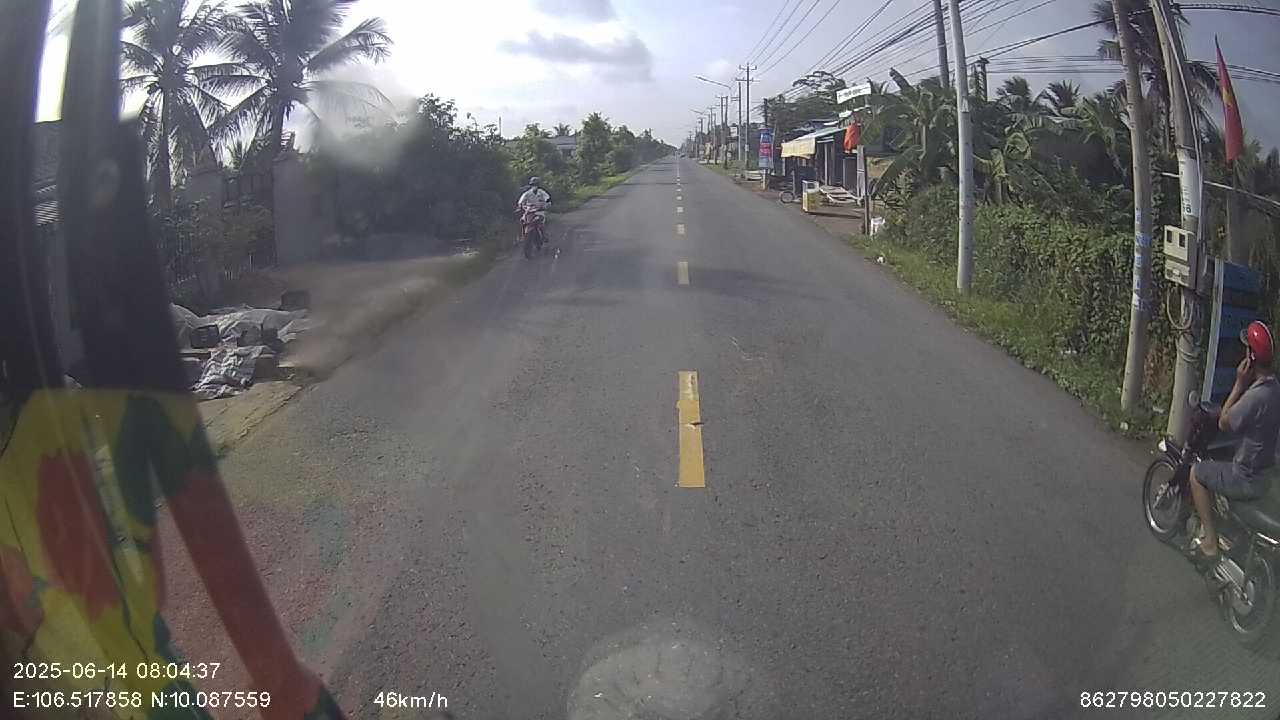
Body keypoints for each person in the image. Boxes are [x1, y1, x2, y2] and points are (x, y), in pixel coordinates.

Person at [1188, 320, 1280, 582]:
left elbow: (1224, 422)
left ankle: (1210, 542)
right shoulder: (1275, 389)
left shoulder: (1255, 396)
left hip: (1246, 477)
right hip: (1265, 476)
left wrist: (1239, 383)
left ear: (1251, 357)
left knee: (1197, 473)